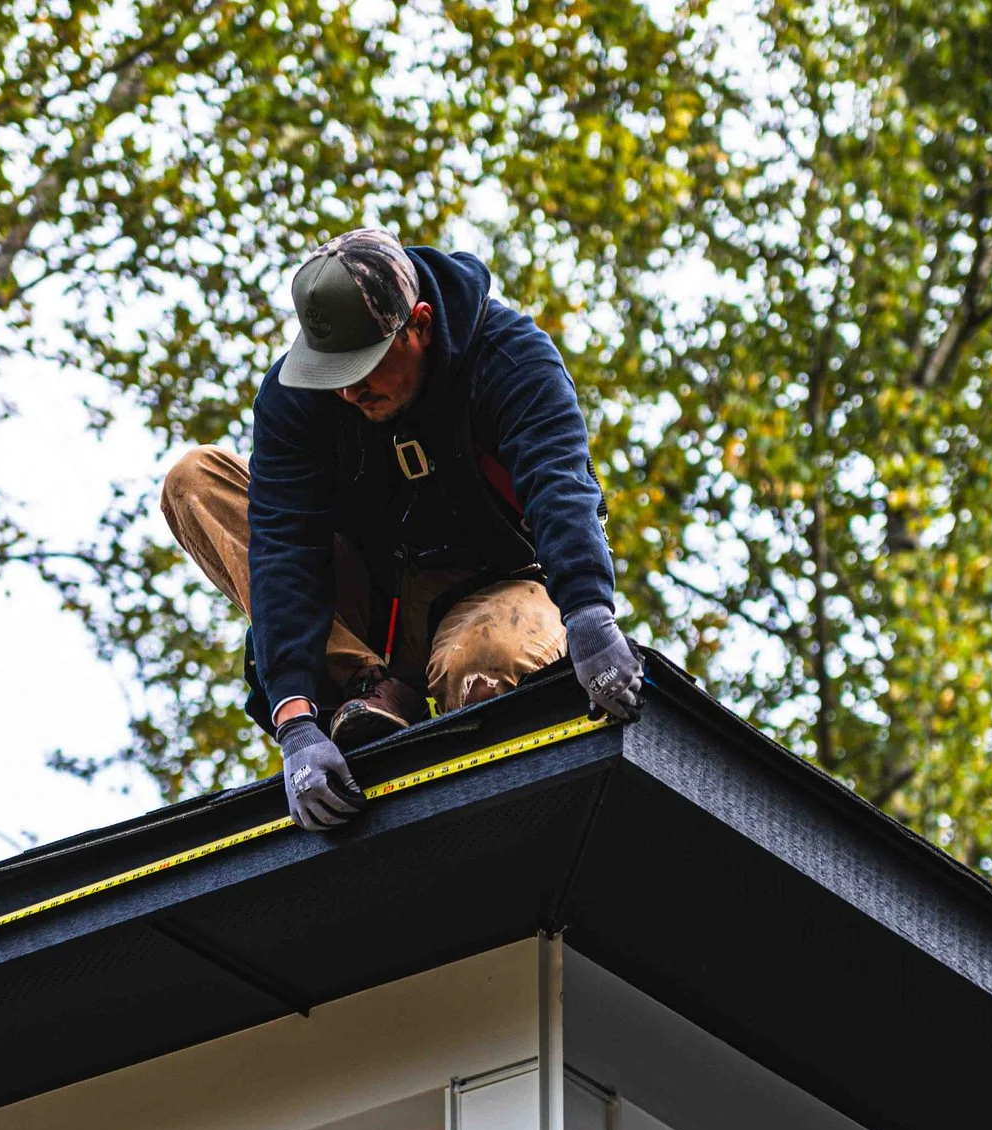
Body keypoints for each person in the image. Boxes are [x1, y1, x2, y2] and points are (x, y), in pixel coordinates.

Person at [160, 228, 643, 832]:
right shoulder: (297, 399)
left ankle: (461, 724)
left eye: (363, 367)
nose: (348, 390)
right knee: (195, 479)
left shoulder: (510, 357)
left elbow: (558, 483)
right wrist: (296, 723)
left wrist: (591, 617)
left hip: (495, 586)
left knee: (482, 666)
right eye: (332, 371)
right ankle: (370, 688)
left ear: (419, 324)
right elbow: (283, 548)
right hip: (370, 604)